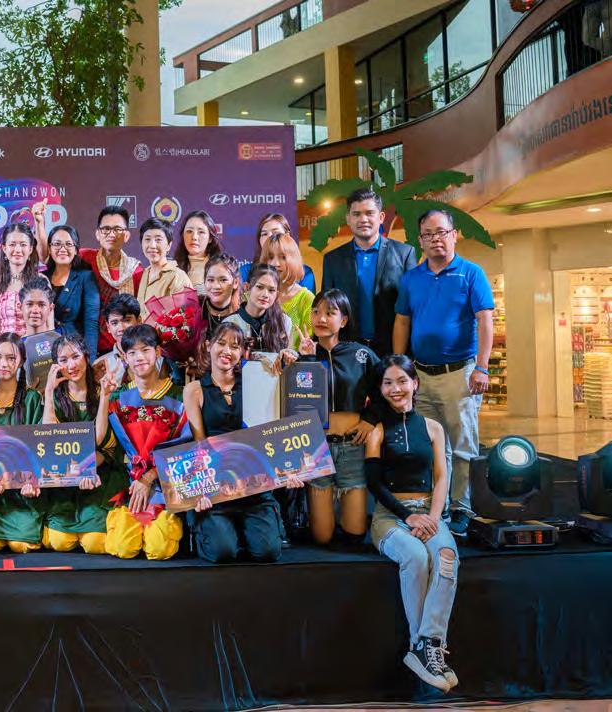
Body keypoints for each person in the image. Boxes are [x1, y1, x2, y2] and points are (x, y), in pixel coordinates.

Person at [393, 209, 493, 536]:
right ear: (420, 240)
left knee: (462, 446)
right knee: (431, 446)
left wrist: (482, 367)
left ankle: (462, 507)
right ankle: (437, 505)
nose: (436, 239)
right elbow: (402, 321)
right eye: (428, 234)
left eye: (441, 232)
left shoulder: (470, 273)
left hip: (459, 374)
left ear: (454, 235)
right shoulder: (412, 278)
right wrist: (399, 365)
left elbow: (485, 320)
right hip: (421, 375)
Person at [365, 355, 459, 693]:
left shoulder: (433, 428)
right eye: (388, 383)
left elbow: (441, 477)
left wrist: (432, 517)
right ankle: (422, 648)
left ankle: (427, 644)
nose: (396, 389)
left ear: (415, 383)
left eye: (402, 381)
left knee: (446, 556)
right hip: (390, 517)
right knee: (416, 557)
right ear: (381, 389)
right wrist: (408, 516)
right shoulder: (376, 431)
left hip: (428, 512)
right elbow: (374, 484)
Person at [183, 322, 301, 562]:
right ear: (209, 346)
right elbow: (199, 444)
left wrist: (287, 467)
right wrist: (201, 489)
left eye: (235, 346)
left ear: (243, 353)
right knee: (223, 552)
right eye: (221, 343)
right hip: (218, 488)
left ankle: (248, 530)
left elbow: (270, 431)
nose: (227, 351)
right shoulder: (194, 389)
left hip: (254, 486)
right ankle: (219, 531)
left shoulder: (255, 381)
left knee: (268, 552)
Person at [298, 289, 381, 545]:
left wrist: (369, 419)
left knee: (355, 534)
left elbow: (385, 390)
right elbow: (297, 401)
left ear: (343, 320)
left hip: (352, 447)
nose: (321, 318)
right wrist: (306, 358)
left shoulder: (361, 355)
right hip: (317, 449)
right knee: (322, 538)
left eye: (329, 313)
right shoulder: (303, 355)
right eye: (316, 312)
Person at [103, 325, 187, 560]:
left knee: (159, 550)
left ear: (158, 352)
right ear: (125, 358)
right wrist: (103, 397)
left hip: (166, 485)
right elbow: (106, 443)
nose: (139, 357)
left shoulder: (179, 395)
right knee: (123, 547)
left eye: (145, 350)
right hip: (128, 484)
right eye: (132, 352)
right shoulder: (118, 397)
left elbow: (186, 448)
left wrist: (149, 477)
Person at [40, 334, 121, 554]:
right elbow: (49, 437)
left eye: (75, 356)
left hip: (96, 478)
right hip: (63, 482)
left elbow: (100, 440)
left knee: (96, 544)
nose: (71, 365)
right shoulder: (55, 396)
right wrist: (49, 391)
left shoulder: (103, 390)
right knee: (59, 542)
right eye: (63, 360)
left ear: (86, 356)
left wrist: (104, 397)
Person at [321, 188, 418, 356]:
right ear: (348, 219)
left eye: (369, 213)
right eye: (356, 214)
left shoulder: (404, 254)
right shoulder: (332, 259)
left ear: (381, 217)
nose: (363, 219)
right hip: (347, 351)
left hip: (392, 351)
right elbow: (327, 309)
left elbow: (413, 307)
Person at [0, 333, 46, 553]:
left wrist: (32, 481)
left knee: (20, 545)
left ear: (21, 361)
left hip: (22, 496)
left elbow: (39, 447)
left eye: (11, 358)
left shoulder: (31, 398)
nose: (3, 364)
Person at [80, 205, 143, 353]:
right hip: (88, 346)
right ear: (97, 234)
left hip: (125, 347)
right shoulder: (84, 258)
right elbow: (50, 259)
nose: (111, 234)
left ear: (126, 235)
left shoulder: (136, 271)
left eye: (117, 229)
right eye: (106, 229)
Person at [223, 264, 298, 368]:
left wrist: (290, 355)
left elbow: (290, 356)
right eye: (259, 287)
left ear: (277, 294)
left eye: (271, 290)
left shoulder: (284, 322)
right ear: (247, 287)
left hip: (275, 378)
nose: (265, 295)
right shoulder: (230, 323)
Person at [45, 225, 99, 355]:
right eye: (57, 244)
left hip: (74, 350)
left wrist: (90, 359)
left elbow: (91, 323)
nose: (62, 249)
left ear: (76, 250)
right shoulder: (42, 278)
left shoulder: (86, 277)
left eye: (68, 244)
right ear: (49, 249)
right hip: (45, 349)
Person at [0, 222, 40, 347]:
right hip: (3, 352)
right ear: (4, 248)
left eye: (23, 244)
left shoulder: (40, 281)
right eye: (12, 244)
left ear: (30, 249)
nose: (17, 250)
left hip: (32, 351)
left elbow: (47, 326)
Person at [260, 231, 314, 346]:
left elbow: (310, 341)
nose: (275, 263)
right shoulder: (252, 296)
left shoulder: (306, 299)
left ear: (294, 260)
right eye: (270, 257)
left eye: (283, 257)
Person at [240, 213, 315, 291]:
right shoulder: (245, 272)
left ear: (288, 235)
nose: (270, 237)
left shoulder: (306, 273)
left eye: (276, 233)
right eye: (264, 234)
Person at [135, 217, 192, 320]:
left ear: (169, 245)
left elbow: (186, 318)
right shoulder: (144, 273)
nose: (152, 245)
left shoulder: (177, 276)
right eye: (147, 239)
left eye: (158, 240)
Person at [196, 253, 242, 344]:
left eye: (223, 280)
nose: (216, 286)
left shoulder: (244, 312)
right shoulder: (194, 308)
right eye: (210, 280)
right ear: (204, 281)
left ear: (235, 282)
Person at [175, 210, 223, 294]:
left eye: (201, 232)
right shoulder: (173, 268)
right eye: (189, 231)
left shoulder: (221, 268)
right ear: (183, 235)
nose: (194, 237)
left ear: (210, 238)